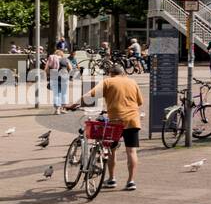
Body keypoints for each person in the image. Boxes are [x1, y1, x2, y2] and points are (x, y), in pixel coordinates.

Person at [79, 62, 143, 191]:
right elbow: (140, 101)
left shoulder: (108, 82)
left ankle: (112, 179)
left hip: (115, 122)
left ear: (111, 73)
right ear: (123, 73)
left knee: (111, 150)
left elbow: (90, 96)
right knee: (131, 151)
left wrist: (74, 104)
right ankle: (131, 181)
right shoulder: (133, 82)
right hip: (132, 120)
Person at [47, 49, 72, 113]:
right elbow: (70, 68)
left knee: (56, 94)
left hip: (54, 76)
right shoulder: (65, 59)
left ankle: (57, 109)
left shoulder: (52, 59)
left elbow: (46, 69)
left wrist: (50, 75)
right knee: (64, 93)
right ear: (61, 54)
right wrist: (67, 74)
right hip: (64, 77)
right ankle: (62, 109)